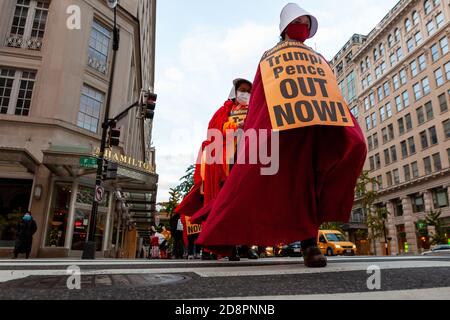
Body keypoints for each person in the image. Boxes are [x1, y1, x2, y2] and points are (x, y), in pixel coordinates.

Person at [193, 3, 367, 268]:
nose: (305, 27)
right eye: (301, 21)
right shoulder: (269, 57)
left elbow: (328, 91)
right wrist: (257, 134)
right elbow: (261, 98)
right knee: (276, 182)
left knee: (340, 156)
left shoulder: (317, 57)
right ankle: (308, 243)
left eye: (308, 23)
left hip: (314, 126)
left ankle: (309, 241)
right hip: (282, 130)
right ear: (286, 26)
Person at [176, 78, 259, 261]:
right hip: (226, 164)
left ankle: (246, 244)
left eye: (248, 90)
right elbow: (214, 131)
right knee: (223, 205)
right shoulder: (223, 111)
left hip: (248, 160)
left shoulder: (255, 109)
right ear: (235, 92)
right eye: (242, 90)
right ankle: (225, 247)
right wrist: (234, 126)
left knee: (245, 204)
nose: (245, 93)